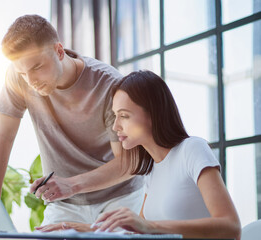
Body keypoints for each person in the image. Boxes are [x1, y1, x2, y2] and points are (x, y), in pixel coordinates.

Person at [37, 70, 241, 240]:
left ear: (154, 114)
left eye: (124, 116)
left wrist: (150, 226)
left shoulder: (192, 149)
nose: (116, 126)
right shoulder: (152, 169)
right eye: (115, 116)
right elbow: (139, 233)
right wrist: (86, 230)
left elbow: (231, 227)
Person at [0, 14, 144, 226]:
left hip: (118, 196)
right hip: (66, 202)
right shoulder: (18, 77)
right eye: (22, 73)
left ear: (59, 51)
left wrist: (71, 185)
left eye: (37, 67)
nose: (30, 81)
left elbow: (129, 162)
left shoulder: (109, 85)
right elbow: (3, 137)